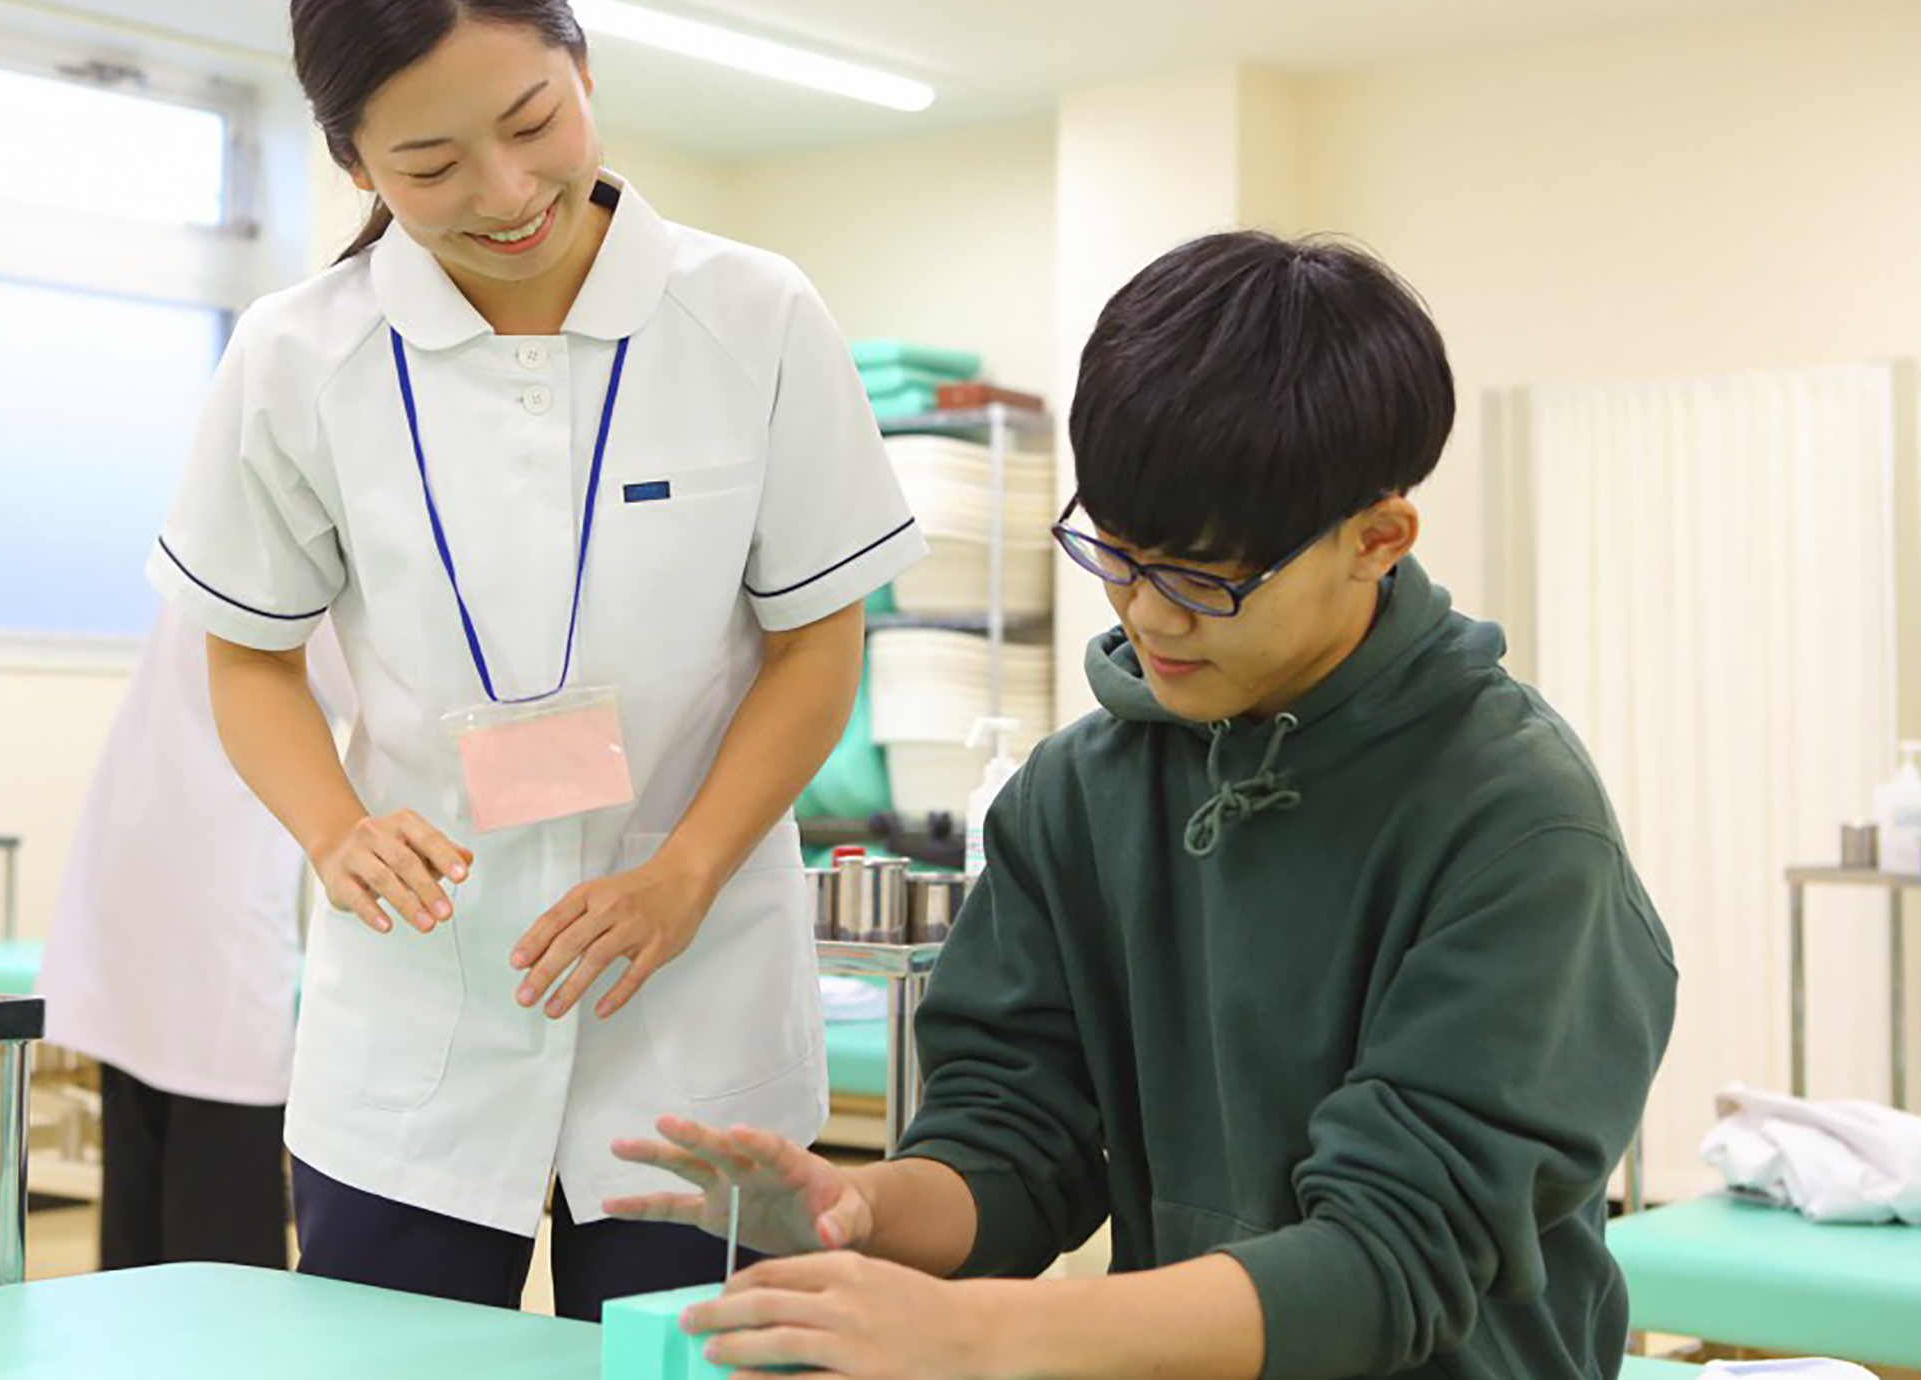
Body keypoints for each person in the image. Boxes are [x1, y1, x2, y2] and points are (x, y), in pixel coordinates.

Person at [605, 231, 1680, 1378]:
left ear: (1378, 540)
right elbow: (1017, 1148)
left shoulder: (1515, 821)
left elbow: (1389, 1259)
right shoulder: (1078, 796)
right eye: (1116, 555)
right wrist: (868, 1207)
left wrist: (982, 1336)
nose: (1151, 617)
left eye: (1205, 580)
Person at [144, 0, 924, 1322]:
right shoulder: (298, 356)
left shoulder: (753, 315)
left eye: (533, 124)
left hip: (697, 999)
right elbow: (249, 659)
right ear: (354, 164)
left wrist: (684, 871)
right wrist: (333, 832)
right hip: (420, 1021)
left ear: (584, 71)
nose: (507, 195)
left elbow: (815, 642)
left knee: (693, 1359)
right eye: (432, 167)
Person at [36, 602, 350, 1271]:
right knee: (218, 1222)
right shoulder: (307, 553)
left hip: (148, 889)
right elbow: (397, 692)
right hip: (215, 900)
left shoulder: (218, 553)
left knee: (142, 1206)